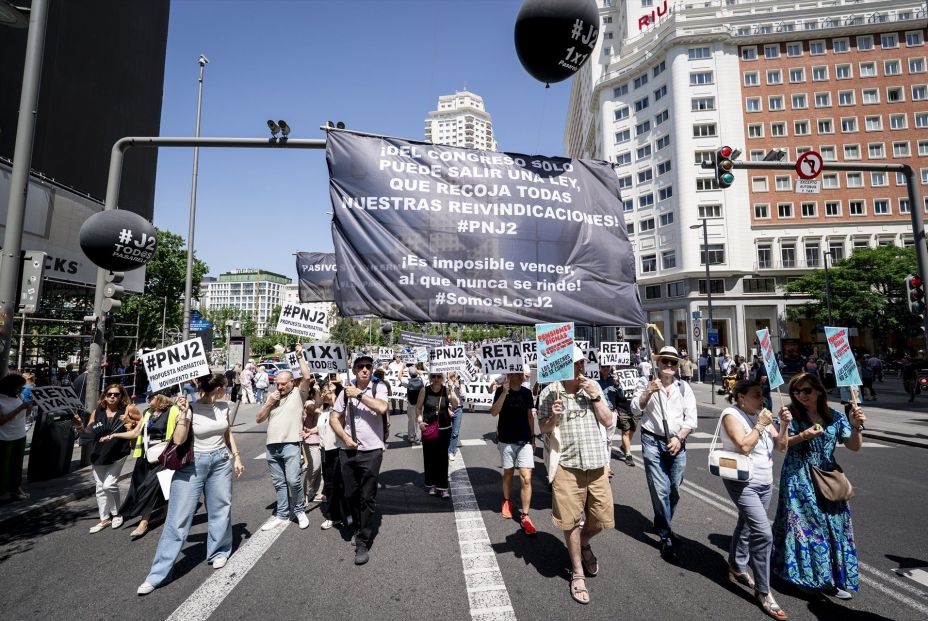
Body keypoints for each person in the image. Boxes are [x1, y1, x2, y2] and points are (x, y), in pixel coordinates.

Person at [137, 373, 245, 595]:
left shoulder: (224, 407)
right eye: (226, 386)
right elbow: (178, 440)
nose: (227, 388)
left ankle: (219, 552)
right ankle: (158, 574)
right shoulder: (189, 407)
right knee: (178, 520)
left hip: (221, 461)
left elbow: (227, 433)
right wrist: (183, 415)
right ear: (218, 388)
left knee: (221, 509)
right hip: (192, 465)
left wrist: (236, 456)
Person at [772, 372, 866, 601]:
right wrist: (799, 433)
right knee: (806, 527)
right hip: (798, 476)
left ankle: (830, 578)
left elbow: (854, 446)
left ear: (819, 391)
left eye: (806, 390)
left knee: (832, 526)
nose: (800, 395)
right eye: (796, 391)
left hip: (826, 475)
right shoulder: (790, 414)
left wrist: (856, 427)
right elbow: (781, 447)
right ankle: (804, 577)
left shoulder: (834, 416)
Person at [537, 346, 614, 605]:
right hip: (567, 467)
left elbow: (607, 421)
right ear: (563, 366)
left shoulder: (592, 387)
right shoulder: (550, 391)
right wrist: (553, 418)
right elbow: (543, 428)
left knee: (600, 519)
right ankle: (577, 571)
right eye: (575, 364)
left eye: (582, 363)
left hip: (596, 465)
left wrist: (595, 397)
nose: (580, 368)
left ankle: (583, 542)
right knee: (570, 521)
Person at [718, 381, 791, 620]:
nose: (762, 399)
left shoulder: (762, 415)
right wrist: (760, 425)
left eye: (762, 395)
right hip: (742, 481)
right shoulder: (731, 414)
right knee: (763, 533)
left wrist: (785, 426)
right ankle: (763, 591)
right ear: (740, 397)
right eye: (757, 395)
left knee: (747, 525)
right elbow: (744, 445)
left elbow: (781, 446)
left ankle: (737, 566)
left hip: (764, 481)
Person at [632, 346, 697, 563]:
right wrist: (649, 391)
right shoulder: (646, 382)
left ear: (677, 366)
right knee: (660, 489)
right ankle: (665, 536)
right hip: (652, 440)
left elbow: (691, 418)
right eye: (665, 362)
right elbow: (635, 408)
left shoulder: (684, 387)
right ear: (657, 363)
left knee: (674, 488)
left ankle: (662, 522)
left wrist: (679, 438)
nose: (669, 366)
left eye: (673, 363)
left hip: (677, 441)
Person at [329, 354, 390, 565]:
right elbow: (334, 418)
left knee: (367, 496)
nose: (365, 370)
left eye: (368, 367)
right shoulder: (346, 391)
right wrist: (345, 437)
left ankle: (363, 541)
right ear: (354, 370)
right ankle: (357, 524)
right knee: (351, 494)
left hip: (372, 451)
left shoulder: (378, 387)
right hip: (348, 451)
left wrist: (359, 395)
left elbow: (382, 408)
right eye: (360, 367)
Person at [106, 393, 183, 539]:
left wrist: (183, 412)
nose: (148, 399)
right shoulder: (148, 413)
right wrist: (114, 435)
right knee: (152, 486)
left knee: (149, 487)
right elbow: (136, 433)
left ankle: (144, 522)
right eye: (147, 397)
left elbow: (180, 432)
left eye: (151, 397)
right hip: (147, 456)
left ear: (161, 397)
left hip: (164, 456)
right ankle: (166, 510)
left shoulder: (173, 410)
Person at [256, 343, 313, 531]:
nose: (279, 386)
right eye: (277, 383)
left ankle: (298, 510)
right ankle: (281, 514)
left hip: (290, 444)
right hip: (272, 446)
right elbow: (258, 419)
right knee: (279, 483)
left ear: (291, 383)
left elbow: (306, 377)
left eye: (283, 384)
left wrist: (299, 356)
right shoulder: (273, 397)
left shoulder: (298, 394)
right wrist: (268, 403)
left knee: (293, 480)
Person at [83, 384, 141, 533]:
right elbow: (89, 430)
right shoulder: (98, 412)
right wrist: (78, 425)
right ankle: (104, 519)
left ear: (121, 396)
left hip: (118, 453)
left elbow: (141, 424)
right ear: (105, 396)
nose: (112, 397)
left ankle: (116, 514)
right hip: (98, 453)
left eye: (116, 394)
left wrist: (130, 421)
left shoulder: (129, 409)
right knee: (100, 488)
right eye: (109, 394)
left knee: (108, 485)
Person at [490, 370, 537, 535]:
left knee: (526, 477)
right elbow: (494, 412)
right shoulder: (500, 390)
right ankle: (507, 500)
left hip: (524, 440)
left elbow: (530, 416)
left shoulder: (526, 393)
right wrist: (503, 392)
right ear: (509, 376)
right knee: (508, 473)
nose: (518, 376)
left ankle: (525, 515)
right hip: (506, 439)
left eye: (519, 374)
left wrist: (532, 437)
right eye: (514, 373)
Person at [415, 371, 459, 499]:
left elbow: (456, 405)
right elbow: (418, 408)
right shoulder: (425, 390)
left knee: (442, 458)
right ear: (430, 378)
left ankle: (443, 486)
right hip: (428, 428)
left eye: (439, 376)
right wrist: (420, 421)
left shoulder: (447, 390)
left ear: (442, 378)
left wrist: (452, 394)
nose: (436, 379)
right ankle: (431, 484)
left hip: (444, 428)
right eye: (433, 376)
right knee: (429, 457)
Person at [0, 374, 34, 501]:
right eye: (18, 387)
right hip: (4, 438)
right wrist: (20, 408)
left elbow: (23, 415)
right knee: (3, 466)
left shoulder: (18, 396)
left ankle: (16, 488)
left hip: (19, 435)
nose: (21, 389)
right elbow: (1, 421)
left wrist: (28, 409)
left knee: (16, 465)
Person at [318, 381, 346, 530]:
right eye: (323, 391)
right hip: (325, 451)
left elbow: (339, 417)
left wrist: (336, 392)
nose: (323, 394)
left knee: (341, 484)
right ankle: (332, 516)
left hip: (338, 449)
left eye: (326, 391)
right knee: (329, 484)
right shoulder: (323, 410)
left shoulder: (339, 408)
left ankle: (345, 514)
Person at [300, 398, 324, 504]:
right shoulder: (303, 413)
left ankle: (318, 493)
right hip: (309, 441)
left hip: (322, 440)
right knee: (314, 467)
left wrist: (319, 411)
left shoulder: (318, 409)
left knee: (320, 469)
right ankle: (306, 492)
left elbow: (322, 424)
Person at [447, 370, 465, 461]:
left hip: (458, 409)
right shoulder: (443, 381)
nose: (453, 372)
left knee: (455, 432)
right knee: (444, 431)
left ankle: (451, 451)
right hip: (446, 409)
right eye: (451, 370)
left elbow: (463, 395)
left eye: (455, 370)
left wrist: (458, 386)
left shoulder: (461, 381)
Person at [405, 366, 424, 445]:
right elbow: (424, 377)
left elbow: (399, 377)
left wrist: (403, 366)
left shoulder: (406, 381)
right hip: (419, 404)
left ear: (409, 374)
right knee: (419, 420)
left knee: (411, 421)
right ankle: (418, 438)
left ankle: (411, 436)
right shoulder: (422, 380)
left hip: (411, 404)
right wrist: (419, 372)